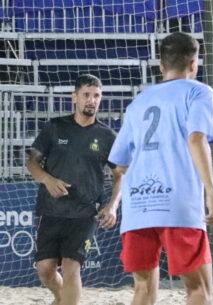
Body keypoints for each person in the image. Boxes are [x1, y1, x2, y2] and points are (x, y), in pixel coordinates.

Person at [107, 32, 213, 305]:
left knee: (143, 289)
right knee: (199, 290)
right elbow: (196, 138)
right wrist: (211, 192)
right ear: (194, 64)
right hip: (178, 202)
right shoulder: (199, 91)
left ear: (161, 66)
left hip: (139, 205)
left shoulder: (137, 103)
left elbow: (120, 164)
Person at [26, 74, 120, 305]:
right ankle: (62, 298)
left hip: (85, 212)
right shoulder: (55, 127)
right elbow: (31, 162)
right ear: (74, 98)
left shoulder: (107, 135)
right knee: (45, 269)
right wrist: (47, 180)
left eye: (96, 96)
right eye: (86, 95)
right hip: (51, 210)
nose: (92, 100)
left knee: (71, 266)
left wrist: (113, 206)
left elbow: (120, 174)